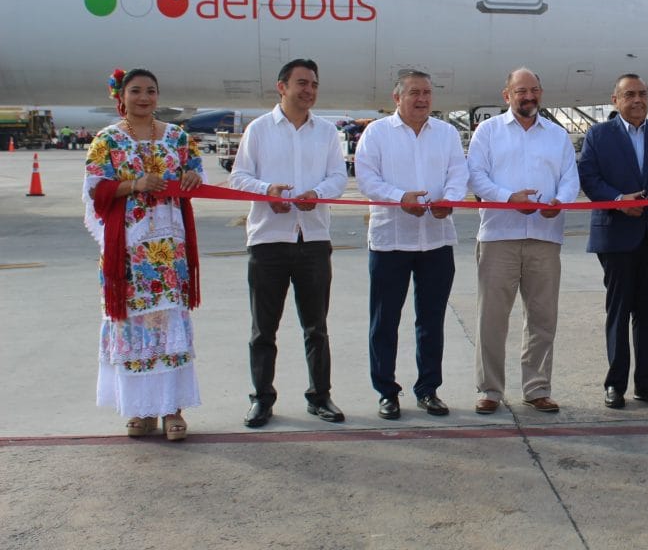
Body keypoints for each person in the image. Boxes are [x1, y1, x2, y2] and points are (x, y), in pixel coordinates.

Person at [84, 68, 204, 440]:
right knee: (133, 327)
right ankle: (140, 410)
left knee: (168, 324)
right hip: (128, 254)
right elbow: (95, 190)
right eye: (136, 91)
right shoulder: (107, 141)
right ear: (121, 96)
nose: (144, 97)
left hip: (169, 253)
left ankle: (171, 410)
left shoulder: (178, 138)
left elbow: (195, 172)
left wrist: (191, 179)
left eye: (151, 91)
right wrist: (133, 184)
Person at [228, 59, 349, 428]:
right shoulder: (260, 130)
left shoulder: (326, 132)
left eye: (313, 83)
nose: (309, 90)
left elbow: (338, 177)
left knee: (317, 327)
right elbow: (238, 177)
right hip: (269, 241)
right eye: (301, 83)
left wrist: (318, 192)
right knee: (264, 328)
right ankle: (262, 398)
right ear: (282, 87)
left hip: (312, 239)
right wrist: (267, 191)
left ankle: (320, 396)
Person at [354, 71, 468, 418]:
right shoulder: (376, 133)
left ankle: (428, 388)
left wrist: (450, 198)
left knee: (431, 320)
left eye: (427, 93)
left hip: (436, 240)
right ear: (397, 97)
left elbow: (458, 173)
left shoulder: (446, 133)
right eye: (415, 93)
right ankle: (386, 391)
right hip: (391, 241)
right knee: (385, 320)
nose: (422, 99)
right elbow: (366, 177)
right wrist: (398, 197)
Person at [467, 68, 579, 415]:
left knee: (543, 317)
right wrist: (507, 197)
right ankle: (490, 389)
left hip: (545, 237)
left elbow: (569, 179)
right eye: (520, 91)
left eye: (533, 90)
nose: (528, 97)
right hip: (500, 235)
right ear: (507, 96)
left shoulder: (557, 135)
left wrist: (559, 203)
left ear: (540, 93)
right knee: (493, 317)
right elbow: (476, 177)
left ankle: (537, 387)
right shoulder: (487, 132)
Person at [578, 74, 648, 409]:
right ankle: (615, 384)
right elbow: (589, 178)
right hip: (617, 236)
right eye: (630, 94)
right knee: (619, 310)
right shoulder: (599, 135)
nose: (638, 100)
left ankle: (647, 383)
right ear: (615, 100)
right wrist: (617, 199)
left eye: (643, 94)